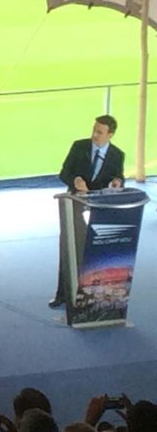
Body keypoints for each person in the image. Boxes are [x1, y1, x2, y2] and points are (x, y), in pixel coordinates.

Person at [51, 114, 126, 307]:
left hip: (100, 207)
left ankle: (92, 295)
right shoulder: (79, 147)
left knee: (96, 252)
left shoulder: (117, 155)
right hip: (74, 203)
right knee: (69, 246)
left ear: (110, 135)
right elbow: (64, 173)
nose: (94, 135)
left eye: (99, 132)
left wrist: (118, 182)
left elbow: (118, 177)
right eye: (94, 130)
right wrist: (75, 180)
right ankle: (62, 294)